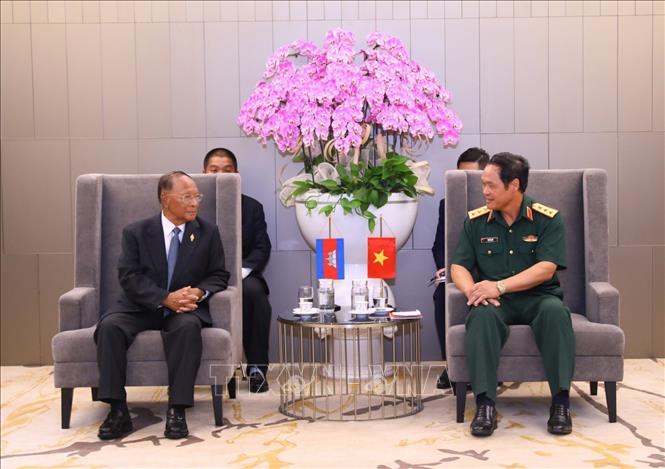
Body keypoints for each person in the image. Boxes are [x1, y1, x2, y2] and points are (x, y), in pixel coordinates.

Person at [94, 171, 230, 440]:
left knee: (188, 329)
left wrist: (200, 292)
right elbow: (129, 277)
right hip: (142, 304)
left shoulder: (207, 232)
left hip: (184, 309)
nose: (195, 203)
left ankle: (177, 409)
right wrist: (163, 298)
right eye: (187, 197)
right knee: (109, 327)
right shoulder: (136, 232)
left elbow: (219, 275)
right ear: (166, 199)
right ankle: (118, 410)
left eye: (197, 196)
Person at [450, 153, 575, 437]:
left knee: (556, 313)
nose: (485, 191)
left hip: (538, 297)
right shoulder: (476, 221)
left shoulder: (547, 219)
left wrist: (500, 285)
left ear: (514, 185)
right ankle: (485, 404)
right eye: (483, 184)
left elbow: (546, 268)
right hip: (496, 303)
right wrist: (474, 291)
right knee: (480, 317)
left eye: (491, 185)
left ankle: (561, 402)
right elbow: (459, 265)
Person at [203, 148, 273, 393]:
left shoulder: (252, 207)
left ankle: (256, 370)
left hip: (242, 276)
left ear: (236, 174)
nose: (221, 175)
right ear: (204, 173)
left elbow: (262, 247)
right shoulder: (191, 205)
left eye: (227, 170)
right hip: (201, 277)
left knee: (255, 295)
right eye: (214, 171)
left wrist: (242, 272)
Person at [431, 148, 489, 389]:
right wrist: (444, 268)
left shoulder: (499, 202)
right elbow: (439, 245)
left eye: (471, 177)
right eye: (460, 175)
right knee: (441, 295)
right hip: (458, 271)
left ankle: (488, 366)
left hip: (491, 274)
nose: (464, 182)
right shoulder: (448, 203)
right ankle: (452, 366)